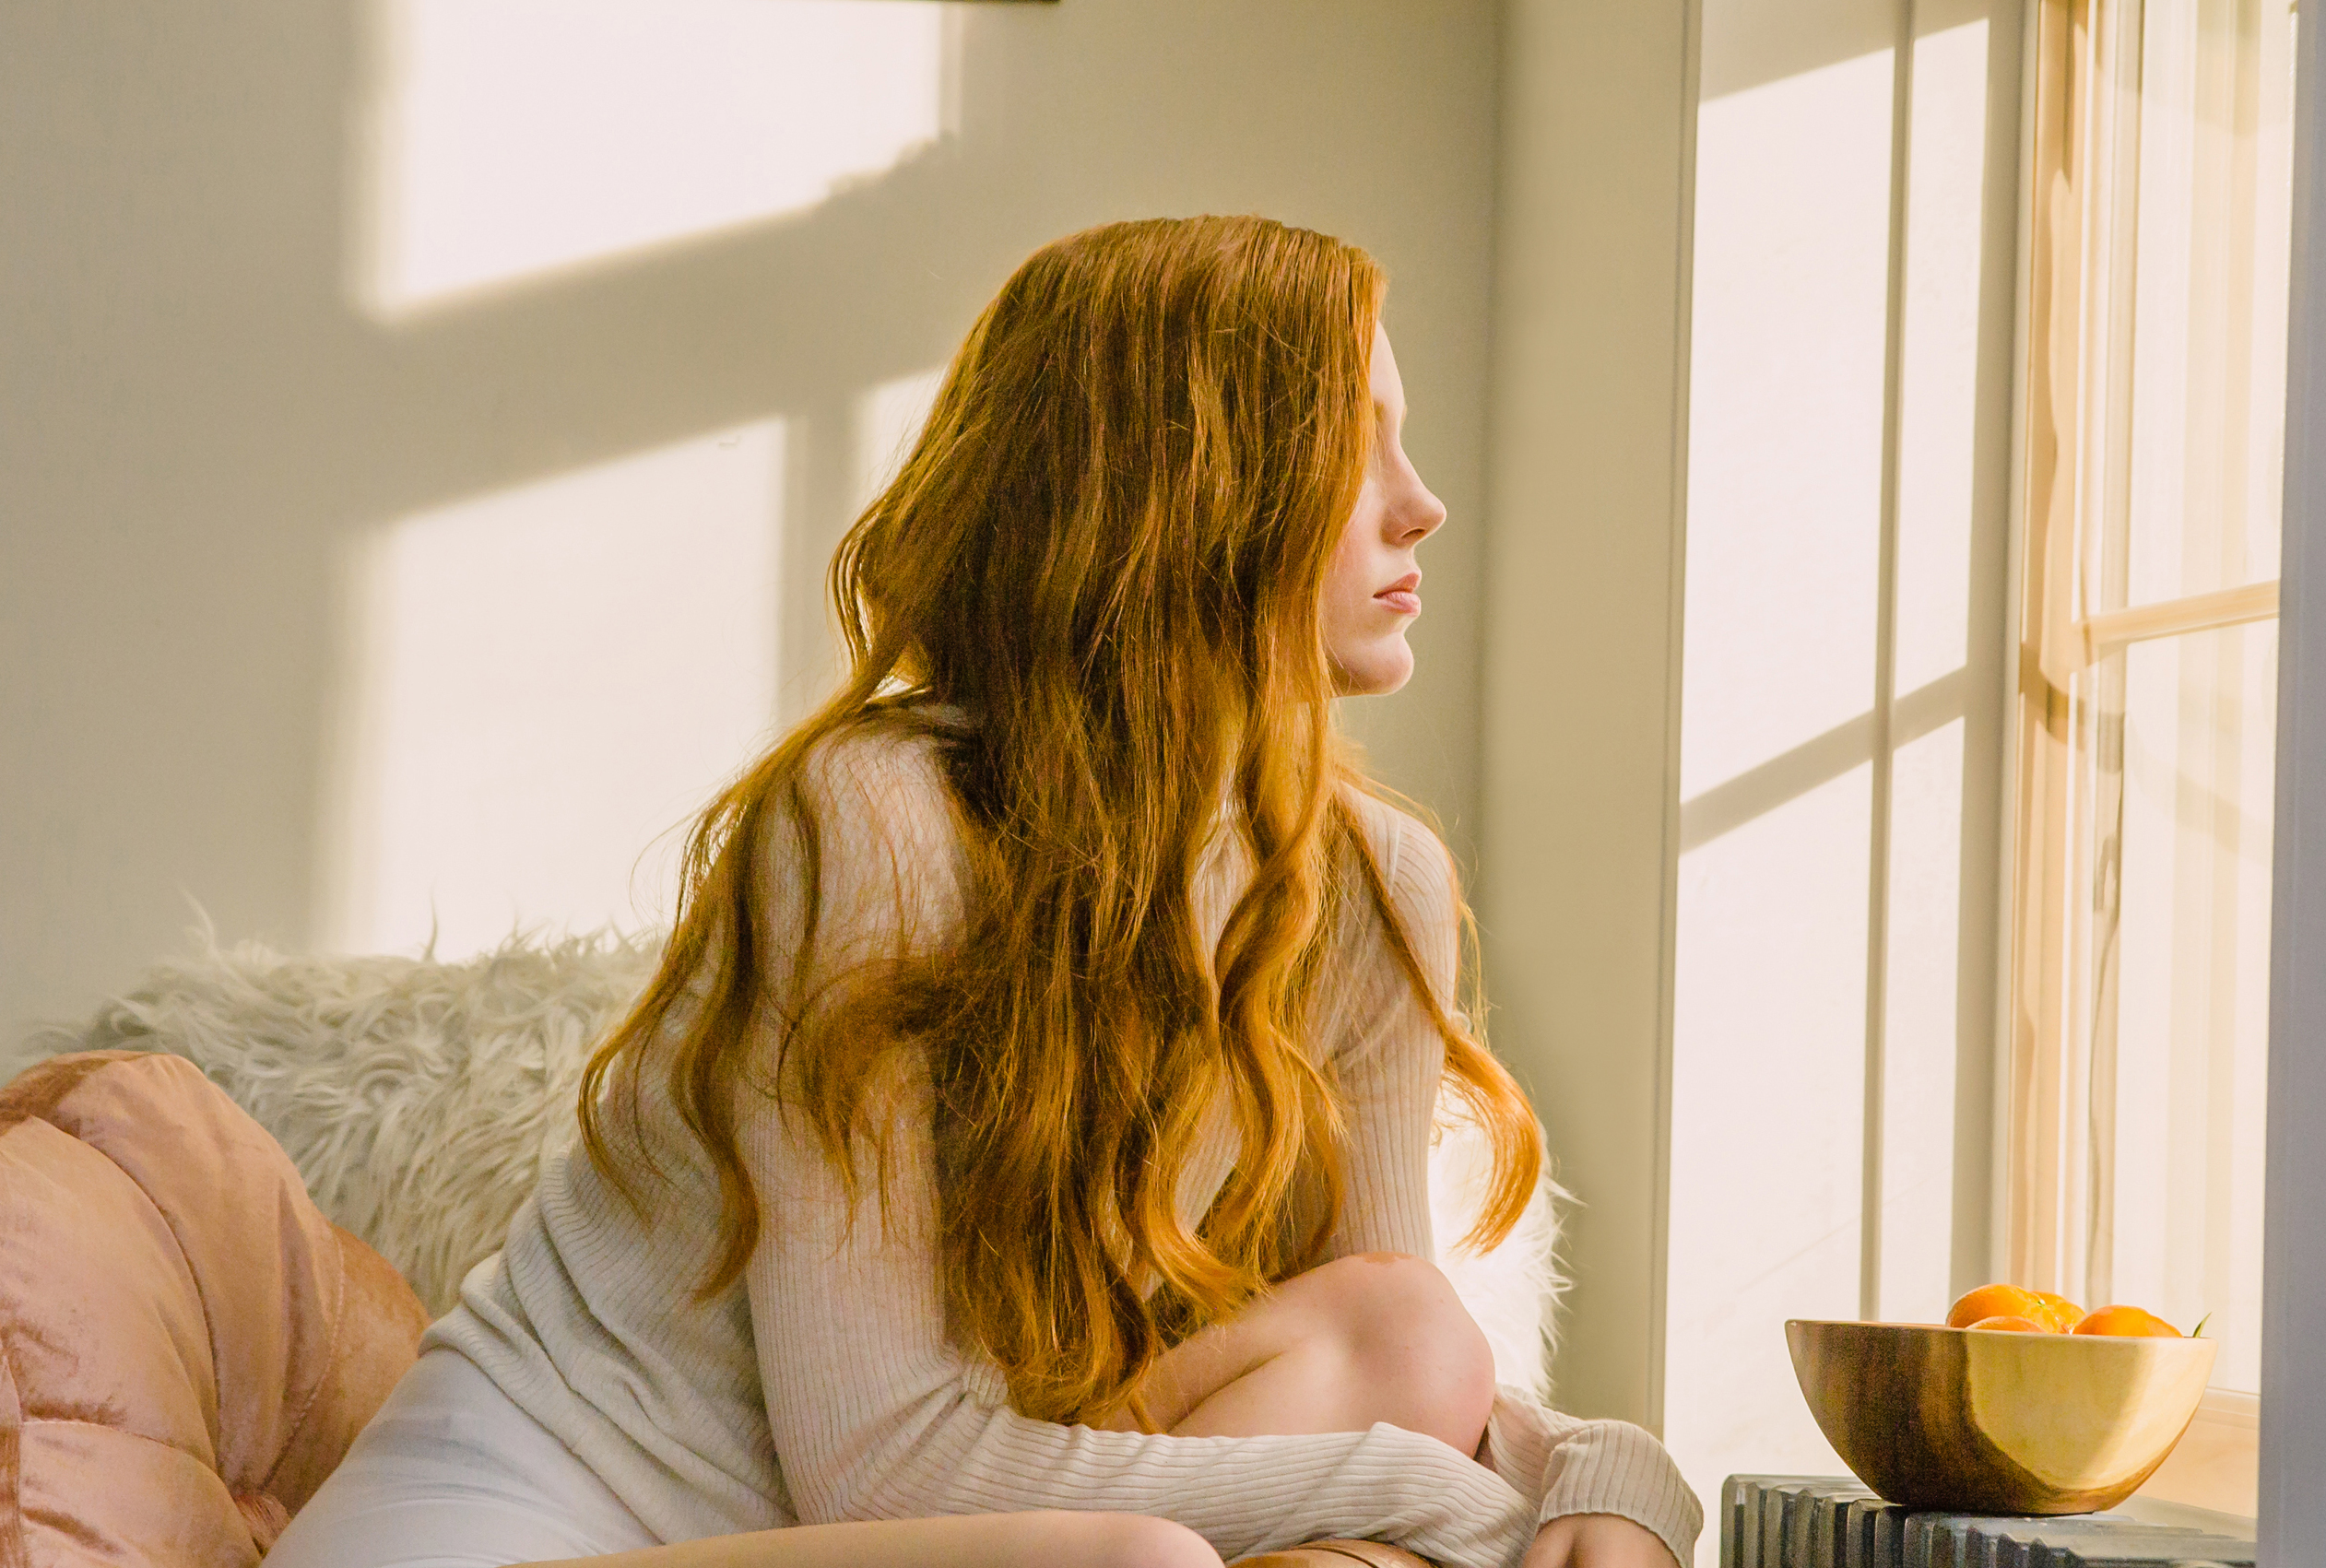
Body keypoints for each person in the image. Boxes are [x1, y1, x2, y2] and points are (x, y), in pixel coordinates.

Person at [267, 215, 1700, 1568]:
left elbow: (1415, 1375)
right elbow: (878, 1461)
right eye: (1356, 444)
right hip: (537, 1530)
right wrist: (1441, 1503)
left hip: (889, 1544)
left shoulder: (1372, 885)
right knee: (1142, 1561)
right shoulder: (879, 820)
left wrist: (1602, 1470)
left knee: (1410, 1332)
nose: (1421, 503)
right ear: (1183, 487)